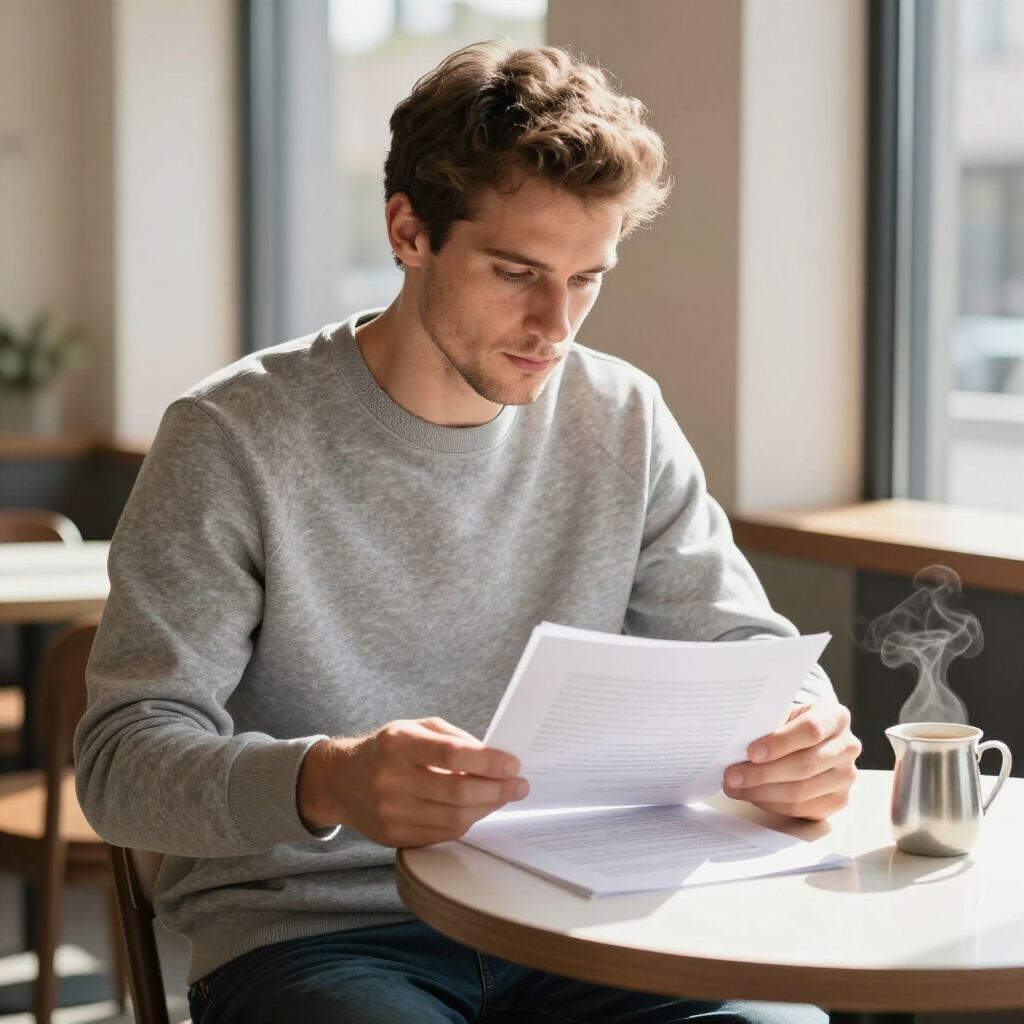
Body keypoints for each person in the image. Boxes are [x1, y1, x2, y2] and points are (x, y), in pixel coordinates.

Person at [76, 41, 860, 1024]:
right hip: (318, 937)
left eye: (588, 278)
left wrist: (803, 728)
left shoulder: (621, 415)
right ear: (409, 231)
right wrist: (325, 780)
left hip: (582, 917)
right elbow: (119, 765)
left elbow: (745, 647)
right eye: (516, 271)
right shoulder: (232, 436)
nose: (554, 323)